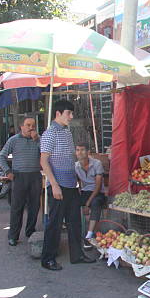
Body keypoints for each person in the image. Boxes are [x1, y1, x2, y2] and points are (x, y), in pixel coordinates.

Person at [40, 100, 95, 270]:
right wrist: (54, 185)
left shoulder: (67, 132)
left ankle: (77, 255)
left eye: (71, 113)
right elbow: (43, 161)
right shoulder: (49, 133)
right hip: (58, 186)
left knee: (75, 222)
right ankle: (48, 259)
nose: (71, 117)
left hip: (71, 185)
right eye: (68, 113)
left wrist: (77, 177)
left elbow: (70, 158)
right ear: (58, 113)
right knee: (54, 224)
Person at [0, 117, 42, 246]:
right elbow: (1, 157)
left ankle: (30, 231)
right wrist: (8, 171)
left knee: (34, 206)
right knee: (17, 207)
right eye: (28, 125)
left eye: (33, 125)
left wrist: (37, 140)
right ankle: (13, 235)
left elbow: (46, 153)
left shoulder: (39, 140)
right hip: (19, 176)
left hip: (35, 175)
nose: (31, 127)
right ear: (21, 126)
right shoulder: (14, 140)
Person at [74, 142, 107, 249]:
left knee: (95, 203)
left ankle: (89, 235)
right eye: (78, 150)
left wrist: (87, 204)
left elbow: (98, 186)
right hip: (85, 191)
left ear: (88, 152)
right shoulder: (76, 166)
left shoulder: (97, 163)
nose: (80, 152)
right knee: (72, 203)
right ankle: (76, 233)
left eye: (82, 150)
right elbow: (77, 184)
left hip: (98, 192)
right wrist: (79, 197)